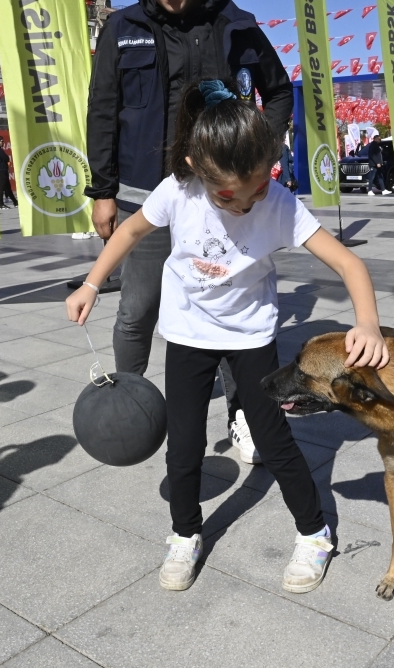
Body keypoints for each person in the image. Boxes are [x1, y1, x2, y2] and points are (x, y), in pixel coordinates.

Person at [67, 80, 388, 593]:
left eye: (258, 188)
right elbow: (127, 232)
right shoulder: (178, 192)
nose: (245, 203)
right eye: (229, 194)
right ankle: (184, 533)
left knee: (275, 438)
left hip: (250, 336)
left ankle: (314, 533)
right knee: (185, 443)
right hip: (188, 332)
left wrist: (367, 321)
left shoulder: (280, 205)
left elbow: (348, 261)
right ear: (196, 167)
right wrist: (90, 283)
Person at [83, 0, 294, 466]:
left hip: (223, 191)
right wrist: (102, 190)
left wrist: (259, 153)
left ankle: (241, 414)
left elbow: (278, 93)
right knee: (137, 308)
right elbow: (103, 108)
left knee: (229, 307)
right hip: (147, 190)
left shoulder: (236, 23)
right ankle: (128, 404)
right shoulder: (123, 26)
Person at [0, 137, 18, 209]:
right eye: (1, 141)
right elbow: (6, 158)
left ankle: (15, 202)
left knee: (7, 188)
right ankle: (1, 204)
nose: (3, 143)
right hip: (2, 170)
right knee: (2, 188)